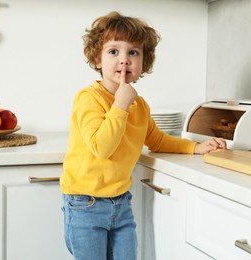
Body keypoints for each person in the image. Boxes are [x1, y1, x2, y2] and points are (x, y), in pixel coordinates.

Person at [60, 11, 226, 260]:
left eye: (133, 53)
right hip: (85, 204)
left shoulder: (140, 106)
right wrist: (120, 105)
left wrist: (196, 147)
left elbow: (157, 141)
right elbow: (101, 148)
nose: (124, 60)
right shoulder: (89, 98)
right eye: (113, 51)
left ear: (144, 64)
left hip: (120, 204)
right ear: (97, 58)